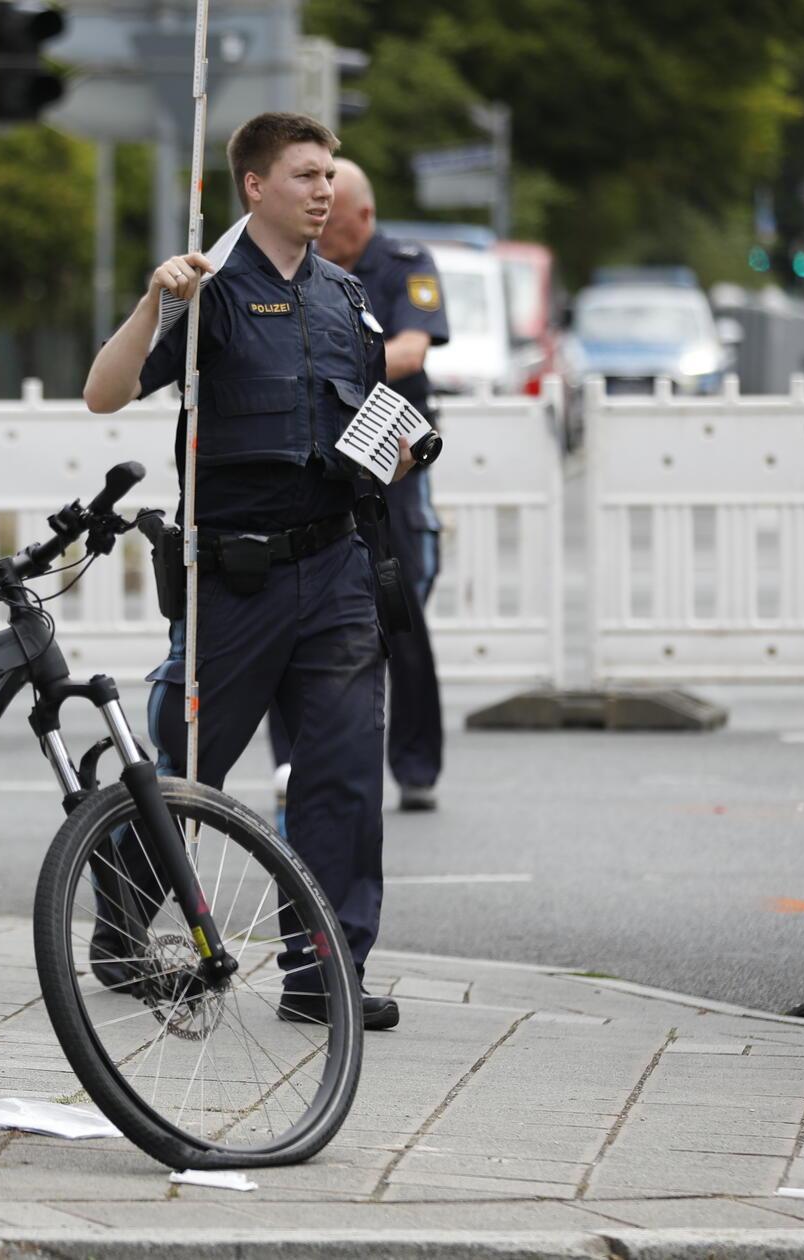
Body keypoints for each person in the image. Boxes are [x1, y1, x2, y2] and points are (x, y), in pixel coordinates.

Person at [82, 112, 417, 1032]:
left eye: (329, 175)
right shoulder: (208, 294)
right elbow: (103, 392)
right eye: (306, 175)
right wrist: (157, 302)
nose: (324, 191)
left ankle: (324, 976)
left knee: (342, 779)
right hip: (236, 582)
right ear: (255, 187)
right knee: (186, 769)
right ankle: (118, 928)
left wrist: (396, 451)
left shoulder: (347, 297)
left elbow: (369, 423)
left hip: (336, 570)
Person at [266, 157, 451, 812]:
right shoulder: (297, 263)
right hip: (318, 444)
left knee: (396, 603)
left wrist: (338, 365)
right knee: (296, 596)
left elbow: (411, 349)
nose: (322, 235)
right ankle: (293, 761)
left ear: (364, 217)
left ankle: (416, 763)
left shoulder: (402, 261)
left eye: (335, 224)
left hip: (387, 448)